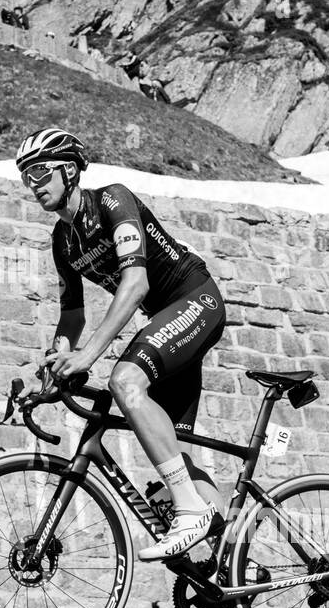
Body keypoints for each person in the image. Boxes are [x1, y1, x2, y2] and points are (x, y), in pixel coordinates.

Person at [16, 127, 228, 562]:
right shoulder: (63, 241)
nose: (33, 184)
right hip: (168, 324)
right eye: (25, 176)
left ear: (70, 170)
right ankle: (237, 571)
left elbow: (135, 284)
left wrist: (88, 356)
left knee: (125, 381)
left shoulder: (113, 200)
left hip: (195, 301)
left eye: (40, 171)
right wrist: (58, 361)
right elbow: (72, 315)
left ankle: (190, 513)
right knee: (179, 463)